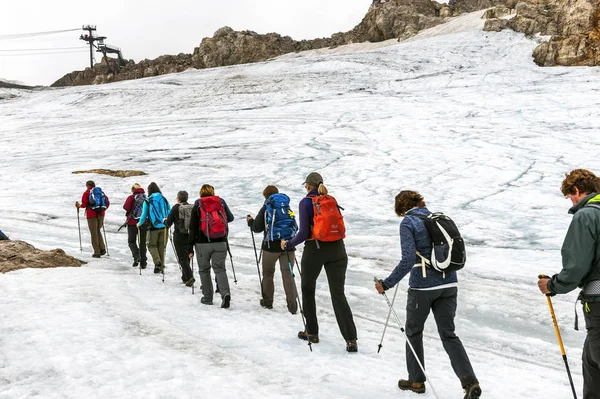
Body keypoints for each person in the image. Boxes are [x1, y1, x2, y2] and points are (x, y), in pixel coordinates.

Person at [374, 190, 480, 398]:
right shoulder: (437, 218)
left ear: (401, 209)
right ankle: (470, 382)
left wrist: (386, 284)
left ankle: (416, 381)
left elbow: (407, 261)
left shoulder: (408, 223)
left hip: (422, 287)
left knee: (413, 332)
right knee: (448, 334)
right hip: (449, 283)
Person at [538, 168, 600, 399]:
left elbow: (576, 266)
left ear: (576, 190)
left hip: (599, 302)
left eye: (570, 196)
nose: (571, 201)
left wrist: (553, 285)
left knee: (595, 367)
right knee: (591, 363)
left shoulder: (587, 215)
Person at [281, 172, 358, 352]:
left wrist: (288, 244)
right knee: (338, 294)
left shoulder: (306, 202)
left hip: (315, 250)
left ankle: (312, 332)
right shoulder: (331, 200)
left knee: (308, 289)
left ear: (308, 186)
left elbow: (303, 234)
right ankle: (351, 339)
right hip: (338, 249)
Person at [246, 185, 298, 314]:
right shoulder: (287, 207)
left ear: (265, 196)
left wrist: (250, 222)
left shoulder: (266, 207)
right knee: (288, 275)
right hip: (288, 245)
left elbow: (257, 228)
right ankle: (292, 306)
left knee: (268, 274)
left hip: (271, 246)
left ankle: (268, 301)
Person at [188, 184, 234, 308]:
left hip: (202, 243)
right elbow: (230, 218)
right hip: (221, 241)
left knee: (204, 270)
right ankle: (225, 294)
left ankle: (207, 298)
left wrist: (190, 246)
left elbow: (192, 227)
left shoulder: (198, 204)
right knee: (220, 269)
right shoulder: (221, 202)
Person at [137, 182, 170, 274]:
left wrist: (139, 224)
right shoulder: (164, 199)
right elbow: (169, 211)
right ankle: (160, 268)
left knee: (151, 245)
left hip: (153, 227)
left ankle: (157, 262)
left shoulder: (147, 201)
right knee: (161, 247)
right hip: (164, 227)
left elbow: (144, 215)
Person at [165, 190, 195, 286]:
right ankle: (185, 277)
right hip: (190, 235)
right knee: (187, 256)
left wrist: (165, 222)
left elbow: (169, 222)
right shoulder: (192, 207)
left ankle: (189, 276)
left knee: (182, 258)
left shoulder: (176, 208)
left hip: (179, 236)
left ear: (178, 199)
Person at [76, 180, 110, 258]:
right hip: (101, 214)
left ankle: (97, 252)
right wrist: (102, 210)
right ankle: (102, 249)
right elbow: (107, 203)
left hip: (91, 215)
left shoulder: (87, 193)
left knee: (94, 233)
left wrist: (79, 206)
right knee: (98, 231)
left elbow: (84, 205)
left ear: (87, 185)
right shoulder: (101, 192)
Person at [123, 183, 148, 269]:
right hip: (144, 222)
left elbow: (126, 207)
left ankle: (137, 257)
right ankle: (143, 262)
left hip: (132, 222)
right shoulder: (146, 198)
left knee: (131, 241)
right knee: (142, 242)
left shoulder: (131, 197)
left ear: (133, 190)